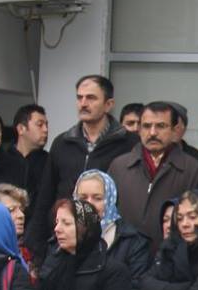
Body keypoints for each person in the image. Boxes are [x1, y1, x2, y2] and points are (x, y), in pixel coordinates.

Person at [107, 102, 198, 255]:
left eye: (160, 126)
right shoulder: (119, 166)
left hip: (170, 259)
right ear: (139, 130)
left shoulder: (192, 169)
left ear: (174, 130)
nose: (152, 133)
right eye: (146, 126)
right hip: (124, 259)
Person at [38, 199, 136, 290]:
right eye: (57, 222)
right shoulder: (54, 265)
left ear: (85, 227)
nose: (57, 229)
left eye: (66, 223)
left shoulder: (113, 271)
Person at [50, 75, 137, 206]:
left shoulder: (130, 144)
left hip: (109, 224)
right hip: (68, 224)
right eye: (79, 98)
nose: (83, 104)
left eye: (91, 98)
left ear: (108, 105)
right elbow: (47, 195)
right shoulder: (62, 143)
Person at [71, 169, 154, 282]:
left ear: (110, 200)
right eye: (83, 198)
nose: (89, 204)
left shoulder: (134, 242)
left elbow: (136, 288)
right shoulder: (63, 235)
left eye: (97, 198)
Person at [11, 103, 58, 259]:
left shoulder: (50, 162)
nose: (45, 130)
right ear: (21, 129)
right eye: (39, 125)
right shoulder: (3, 162)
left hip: (40, 242)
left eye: (46, 125)